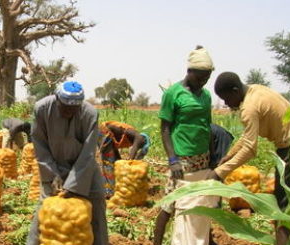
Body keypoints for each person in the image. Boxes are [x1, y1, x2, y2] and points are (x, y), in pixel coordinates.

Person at [212, 71, 290, 245]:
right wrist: (229, 156)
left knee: (283, 211)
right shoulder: (256, 90)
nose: (226, 104)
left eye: (226, 99)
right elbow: (247, 137)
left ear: (235, 90)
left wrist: (219, 173)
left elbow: (250, 148)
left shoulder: (248, 107)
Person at [26, 81, 108, 245]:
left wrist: (72, 185)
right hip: (53, 166)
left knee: (97, 202)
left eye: (74, 109)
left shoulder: (90, 114)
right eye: (65, 107)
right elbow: (40, 145)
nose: (69, 112)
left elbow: (88, 152)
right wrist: (53, 174)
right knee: (46, 208)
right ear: (57, 99)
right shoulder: (42, 109)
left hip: (84, 168)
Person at [153, 46, 219, 245]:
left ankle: (204, 240)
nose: (203, 81)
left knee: (201, 204)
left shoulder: (206, 95)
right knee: (169, 206)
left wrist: (213, 159)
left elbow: (207, 127)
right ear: (189, 71)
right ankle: (156, 242)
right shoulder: (174, 94)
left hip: (203, 159)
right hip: (181, 159)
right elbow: (165, 128)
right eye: (200, 77)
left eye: (206, 78)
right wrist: (173, 160)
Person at [153, 123, 234, 245]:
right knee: (168, 208)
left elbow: (216, 161)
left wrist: (213, 170)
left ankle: (208, 240)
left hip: (198, 166)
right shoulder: (184, 130)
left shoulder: (204, 130)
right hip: (183, 170)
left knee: (203, 204)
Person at [98, 121, 150, 198]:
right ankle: (108, 192)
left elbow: (134, 155)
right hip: (105, 132)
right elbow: (132, 154)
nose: (139, 147)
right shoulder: (140, 138)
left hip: (110, 137)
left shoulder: (134, 138)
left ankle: (115, 187)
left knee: (117, 162)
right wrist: (130, 164)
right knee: (109, 163)